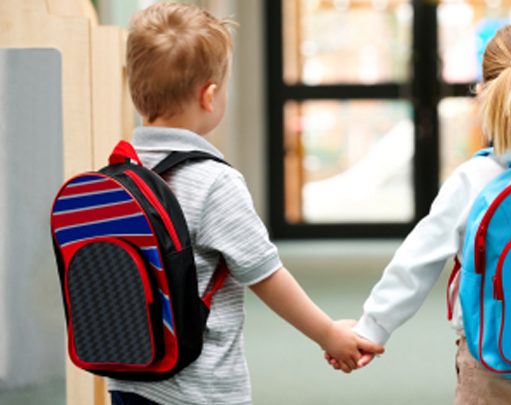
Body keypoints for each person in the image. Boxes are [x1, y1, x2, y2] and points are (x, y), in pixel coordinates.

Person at [107, 3, 383, 404]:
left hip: (129, 381)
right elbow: (265, 274)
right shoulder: (214, 182)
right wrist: (328, 333)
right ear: (210, 96)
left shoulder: (121, 172)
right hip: (199, 389)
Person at [328, 20, 511, 404]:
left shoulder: (474, 179)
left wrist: (372, 329)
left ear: (484, 92)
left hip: (490, 357)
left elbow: (417, 262)